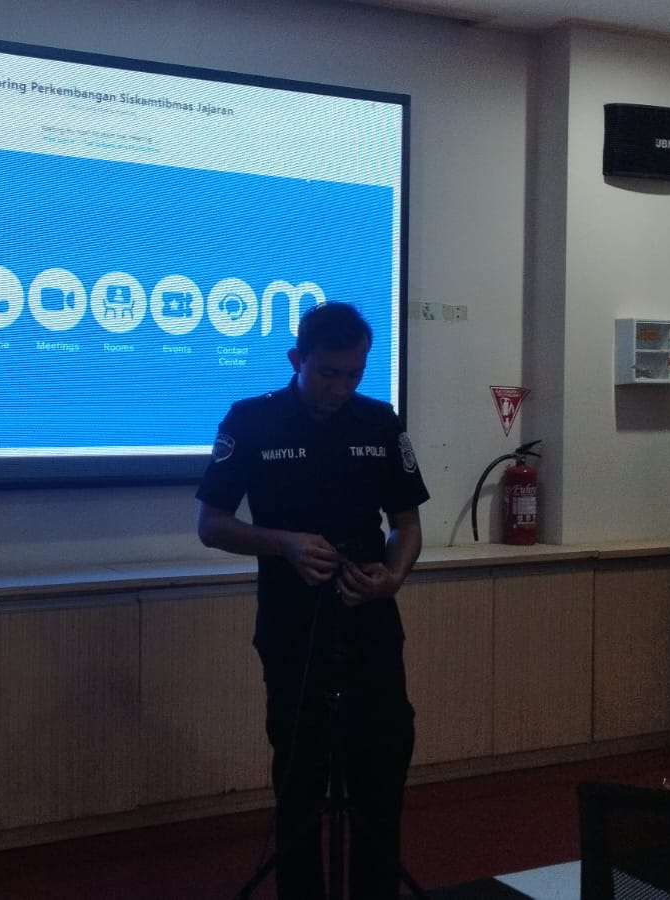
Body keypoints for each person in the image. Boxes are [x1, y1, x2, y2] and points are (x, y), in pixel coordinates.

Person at [196, 301, 429, 900]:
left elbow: (406, 524)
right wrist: (284, 544)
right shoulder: (252, 419)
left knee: (380, 773)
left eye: (354, 374)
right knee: (300, 781)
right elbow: (211, 525)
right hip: (292, 626)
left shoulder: (379, 422)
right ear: (297, 359)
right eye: (328, 373)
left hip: (370, 621)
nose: (341, 388)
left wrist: (393, 576)